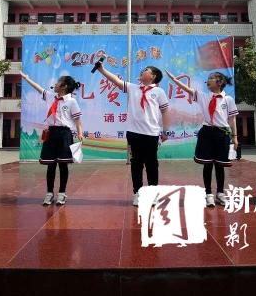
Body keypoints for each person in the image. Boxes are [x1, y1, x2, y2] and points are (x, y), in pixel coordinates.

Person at [97, 62, 170, 206]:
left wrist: (165, 130)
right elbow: (116, 80)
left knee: (151, 164)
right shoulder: (133, 88)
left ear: (153, 76)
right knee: (136, 164)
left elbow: (165, 111)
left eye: (146, 70)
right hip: (134, 133)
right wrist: (102, 69)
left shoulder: (159, 92)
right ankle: (137, 193)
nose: (142, 71)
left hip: (151, 134)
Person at [166, 70, 238, 207]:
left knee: (220, 165)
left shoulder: (228, 100)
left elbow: (232, 118)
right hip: (207, 132)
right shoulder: (203, 96)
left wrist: (235, 137)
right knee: (207, 164)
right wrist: (175, 80)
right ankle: (208, 194)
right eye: (208, 78)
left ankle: (220, 193)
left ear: (220, 82)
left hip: (222, 133)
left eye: (211, 78)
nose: (208, 80)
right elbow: (187, 89)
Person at [20, 71, 84, 206]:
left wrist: (80, 133)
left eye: (58, 82)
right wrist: (26, 78)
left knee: (63, 164)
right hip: (51, 133)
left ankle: (62, 193)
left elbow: (77, 120)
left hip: (64, 134)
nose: (55, 84)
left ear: (64, 86)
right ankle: (49, 193)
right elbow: (38, 88)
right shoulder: (50, 97)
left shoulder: (72, 101)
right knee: (51, 164)